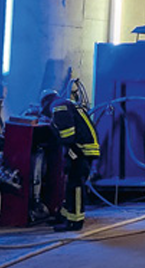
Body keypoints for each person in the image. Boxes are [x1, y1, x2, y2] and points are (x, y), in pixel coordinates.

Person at [40, 91, 101, 231]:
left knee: (75, 185)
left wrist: (68, 152)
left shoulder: (58, 107)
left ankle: (75, 222)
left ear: (45, 102)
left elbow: (67, 135)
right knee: (70, 184)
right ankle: (65, 216)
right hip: (84, 148)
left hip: (80, 149)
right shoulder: (66, 103)